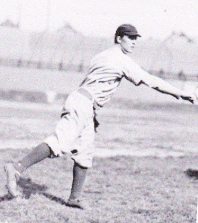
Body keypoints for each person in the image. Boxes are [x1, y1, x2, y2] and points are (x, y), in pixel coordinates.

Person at [4, 24, 196, 210]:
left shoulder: (101, 55)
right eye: (130, 37)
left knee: (85, 154)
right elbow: (151, 81)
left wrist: (92, 111)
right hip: (83, 104)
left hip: (85, 103)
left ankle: (74, 198)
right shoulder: (121, 60)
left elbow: (93, 83)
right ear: (118, 38)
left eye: (136, 38)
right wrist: (180, 93)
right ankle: (16, 168)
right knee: (60, 143)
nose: (134, 42)